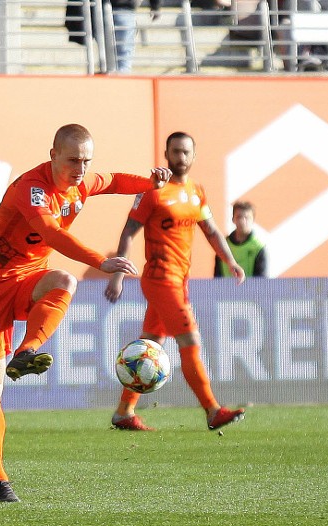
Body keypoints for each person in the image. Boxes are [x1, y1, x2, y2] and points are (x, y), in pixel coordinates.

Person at [0, 123, 170, 503]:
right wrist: (100, 260)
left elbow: (110, 180)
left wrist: (149, 183)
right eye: (73, 160)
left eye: (85, 160)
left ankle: (26, 351)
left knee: (64, 280)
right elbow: (52, 236)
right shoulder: (31, 189)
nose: (80, 168)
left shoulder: (81, 183)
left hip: (28, 276)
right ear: (53, 156)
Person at [104, 131, 246, 432]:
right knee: (189, 340)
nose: (180, 158)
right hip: (159, 279)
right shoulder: (153, 190)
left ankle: (123, 412)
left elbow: (210, 230)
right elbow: (129, 231)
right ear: (166, 154)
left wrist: (230, 260)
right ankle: (212, 410)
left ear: (194, 157)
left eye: (186, 152)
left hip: (179, 280)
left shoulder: (197, 192)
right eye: (175, 152)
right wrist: (119, 274)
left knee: (151, 345)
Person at [214, 201, 267, 278]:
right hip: (226, 289)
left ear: (253, 220)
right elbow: (216, 279)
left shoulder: (258, 248)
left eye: (247, 218)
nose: (242, 221)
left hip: (251, 290)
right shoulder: (222, 246)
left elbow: (262, 282)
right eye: (239, 217)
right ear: (233, 219)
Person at [110, 0, 160, 73]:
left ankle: (110, 79)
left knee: (107, 55)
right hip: (126, 10)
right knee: (124, 54)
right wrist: (155, 7)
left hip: (100, 9)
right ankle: (121, 80)